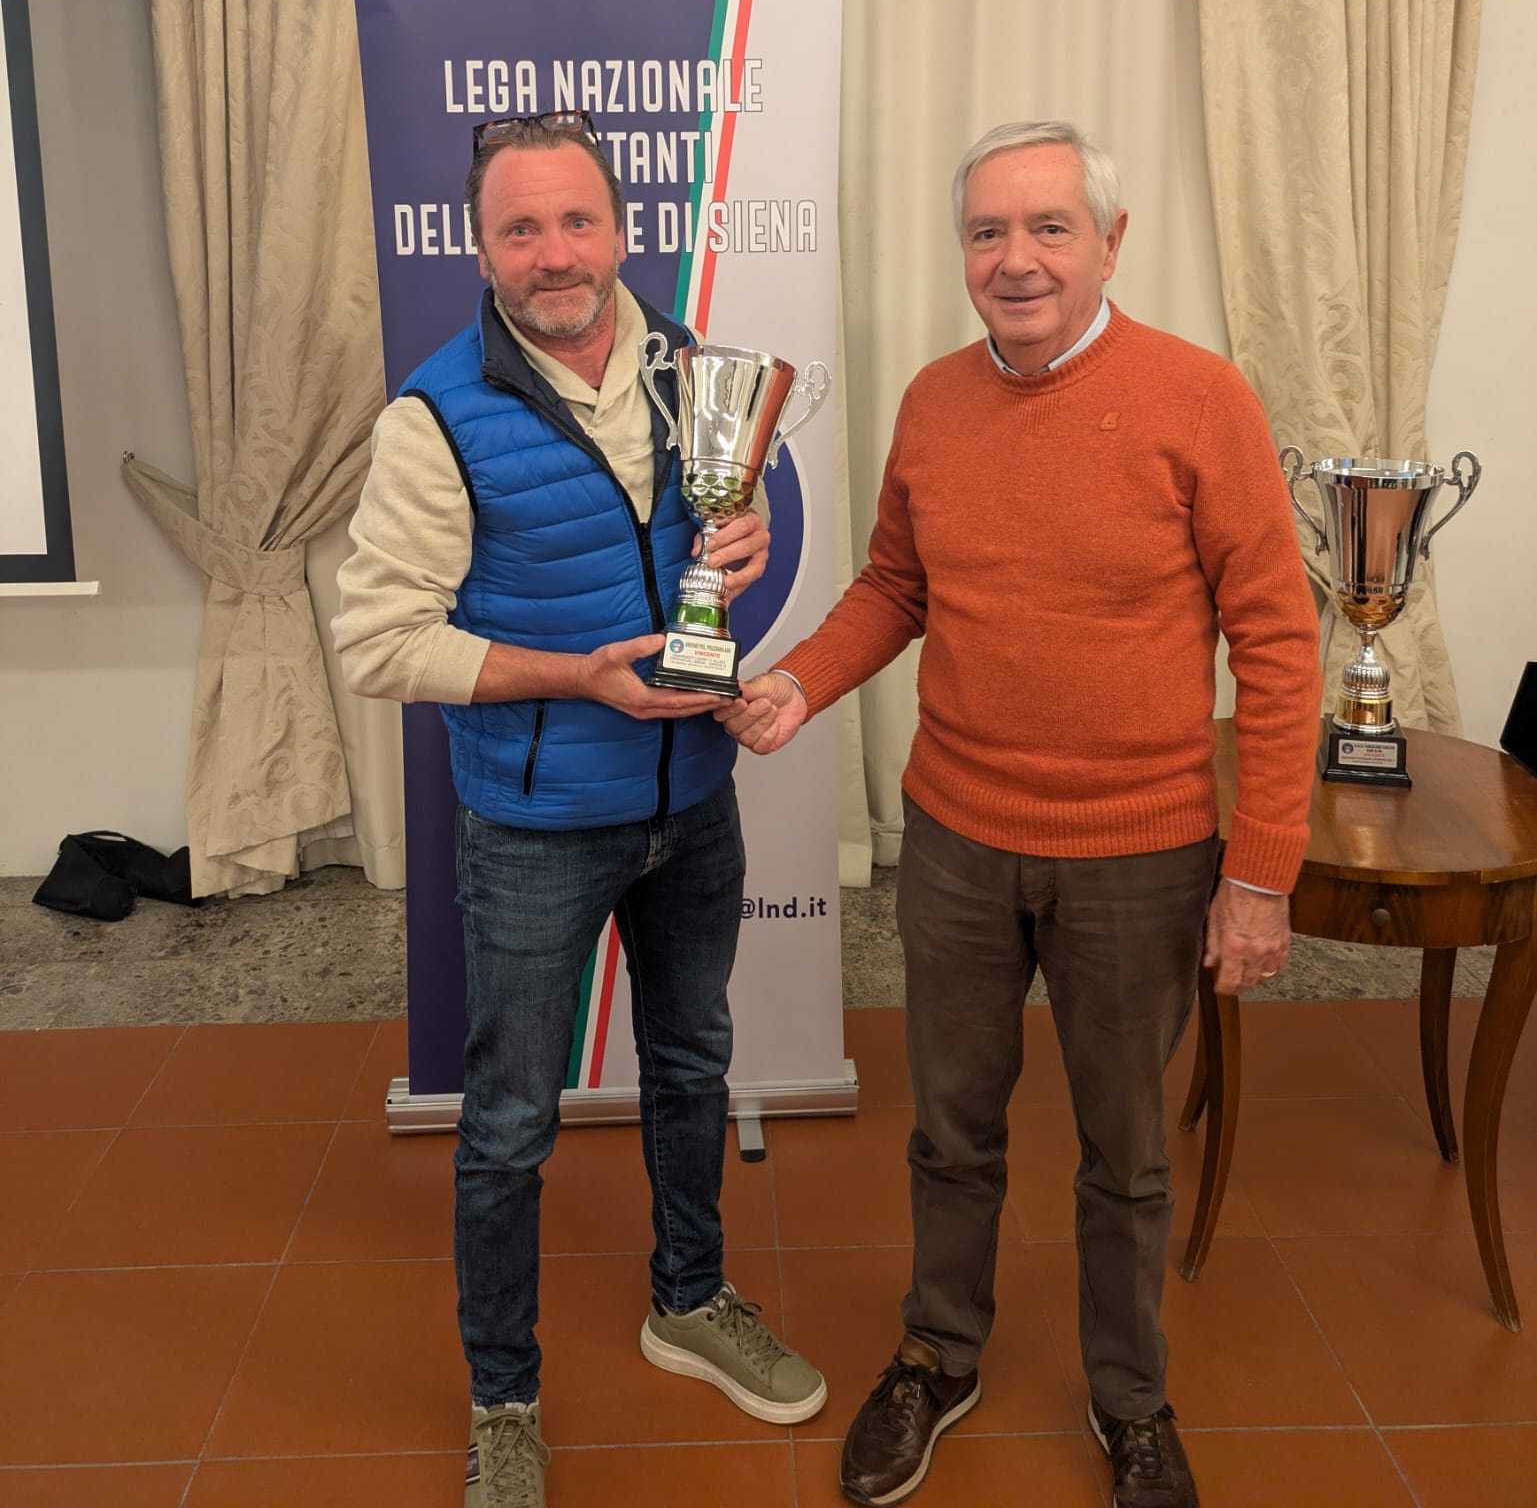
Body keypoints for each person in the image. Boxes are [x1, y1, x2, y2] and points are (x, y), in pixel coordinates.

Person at [719, 121, 1321, 1508]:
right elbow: (896, 586)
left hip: (1141, 856)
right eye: (988, 231)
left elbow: (1279, 644)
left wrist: (1261, 871)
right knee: (951, 1129)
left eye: (1050, 227)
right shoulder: (934, 402)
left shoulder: (1199, 399)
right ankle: (938, 1353)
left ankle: (1131, 1399)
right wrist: (798, 683)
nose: (1017, 258)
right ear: (963, 253)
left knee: (1125, 1153)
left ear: (1111, 243)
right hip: (958, 844)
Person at [333, 112, 826, 1508]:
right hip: (537, 824)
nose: (554, 255)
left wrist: (747, 538)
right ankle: (504, 1395)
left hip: (695, 798)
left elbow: (717, 542)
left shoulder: (691, 370)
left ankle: (691, 1298)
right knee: (506, 1124)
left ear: (621, 229)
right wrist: (579, 677)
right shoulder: (435, 417)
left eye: (576, 222)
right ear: (479, 247)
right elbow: (378, 643)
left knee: (692, 1064)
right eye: (520, 229)